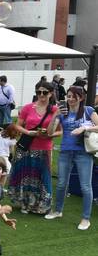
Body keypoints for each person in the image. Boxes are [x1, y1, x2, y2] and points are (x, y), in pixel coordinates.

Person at [45, 85, 98, 230]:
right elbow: (49, 132)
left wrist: (85, 128)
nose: (69, 99)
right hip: (65, 152)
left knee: (85, 186)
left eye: (72, 96)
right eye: (67, 96)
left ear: (80, 97)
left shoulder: (88, 111)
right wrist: (55, 115)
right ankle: (57, 211)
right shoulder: (63, 113)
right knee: (62, 183)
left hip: (83, 153)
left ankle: (85, 219)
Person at [9, 81, 59, 215]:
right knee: (25, 174)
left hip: (44, 147)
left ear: (51, 93)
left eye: (44, 92)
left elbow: (62, 131)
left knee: (42, 177)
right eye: (38, 92)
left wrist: (49, 134)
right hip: (26, 146)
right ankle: (25, 203)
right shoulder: (27, 107)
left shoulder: (55, 110)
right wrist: (28, 132)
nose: (41, 95)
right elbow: (17, 125)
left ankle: (41, 206)